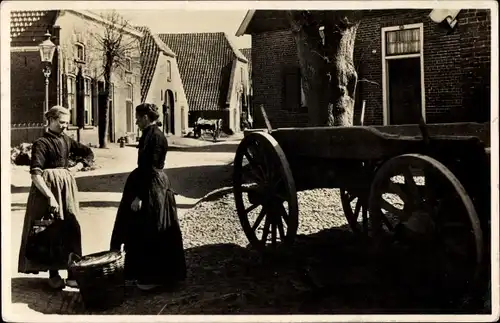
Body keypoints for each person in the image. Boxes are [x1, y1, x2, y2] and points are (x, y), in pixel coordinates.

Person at [110, 103, 186, 291]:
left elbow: (149, 168)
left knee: (150, 227)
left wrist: (139, 196)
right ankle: (145, 273)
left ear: (145, 117)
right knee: (143, 227)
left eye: (137, 117)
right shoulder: (152, 134)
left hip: (151, 185)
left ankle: (154, 276)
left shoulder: (153, 136)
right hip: (151, 182)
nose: (135, 121)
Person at [18, 105, 94, 289]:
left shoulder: (67, 140)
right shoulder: (41, 143)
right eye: (61, 123)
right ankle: (53, 273)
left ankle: (72, 273)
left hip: (67, 190)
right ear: (50, 120)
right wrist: (50, 197)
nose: (65, 127)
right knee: (51, 230)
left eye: (67, 123)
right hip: (48, 191)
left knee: (71, 227)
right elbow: (35, 174)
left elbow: (88, 154)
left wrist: (77, 167)